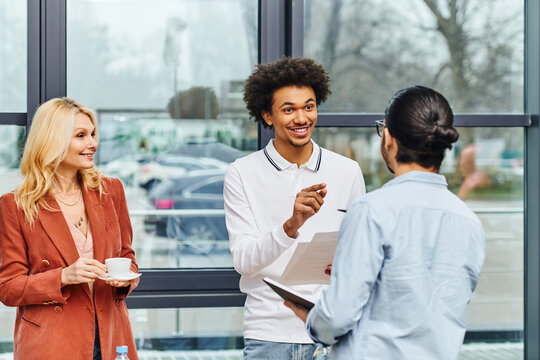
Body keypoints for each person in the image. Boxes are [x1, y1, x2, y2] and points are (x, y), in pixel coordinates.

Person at [285, 86, 486, 359]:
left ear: (388, 138)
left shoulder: (371, 211)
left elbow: (337, 316)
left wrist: (315, 319)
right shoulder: (469, 223)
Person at [224, 56, 366, 359]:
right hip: (267, 336)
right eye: (288, 109)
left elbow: (360, 256)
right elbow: (244, 262)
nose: (302, 118)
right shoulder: (242, 173)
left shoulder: (347, 171)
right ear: (267, 115)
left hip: (331, 335)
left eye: (309, 106)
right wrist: (292, 224)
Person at [0, 98, 139, 360]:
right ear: (53, 140)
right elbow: (8, 287)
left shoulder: (111, 191)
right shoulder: (16, 205)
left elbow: (128, 258)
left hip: (111, 337)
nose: (92, 144)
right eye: (81, 136)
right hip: (52, 342)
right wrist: (63, 276)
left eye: (93, 134)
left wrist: (124, 279)